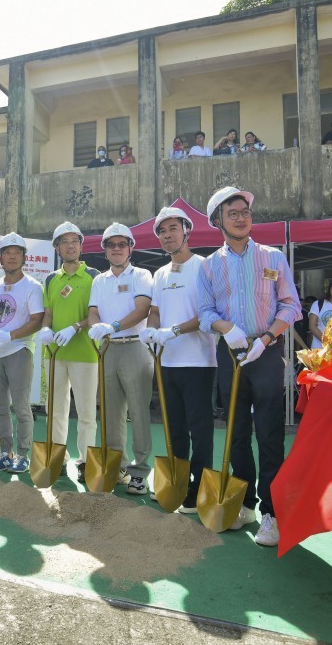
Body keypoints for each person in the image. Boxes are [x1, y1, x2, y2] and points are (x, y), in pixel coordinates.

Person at [198, 186, 301, 547]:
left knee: (270, 432)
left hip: (267, 352)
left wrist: (266, 339)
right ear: (218, 222)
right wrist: (227, 329)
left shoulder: (273, 257)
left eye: (245, 211)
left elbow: (291, 305)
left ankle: (272, 512)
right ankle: (245, 502)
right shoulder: (210, 265)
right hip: (231, 354)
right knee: (237, 430)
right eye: (233, 213)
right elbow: (205, 313)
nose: (242, 218)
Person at [144, 205, 217, 513]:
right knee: (174, 427)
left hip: (199, 361)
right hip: (167, 361)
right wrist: (151, 332)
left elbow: (206, 314)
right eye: (162, 231)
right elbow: (156, 312)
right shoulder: (160, 274)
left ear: (187, 230)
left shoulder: (204, 267)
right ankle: (178, 481)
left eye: (173, 228)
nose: (167, 235)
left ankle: (200, 487)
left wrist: (172, 331)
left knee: (200, 428)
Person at [87, 223, 153, 495]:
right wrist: (95, 329)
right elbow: (93, 311)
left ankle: (140, 471)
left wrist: (112, 326)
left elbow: (142, 310)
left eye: (121, 244)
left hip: (135, 347)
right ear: (104, 250)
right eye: (111, 245)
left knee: (138, 412)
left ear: (130, 248)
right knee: (111, 414)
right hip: (107, 349)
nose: (116, 249)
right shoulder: (99, 280)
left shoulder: (141, 274)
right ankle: (119, 466)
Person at [36, 222, 100, 482]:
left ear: (81, 245)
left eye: (75, 241)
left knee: (86, 412)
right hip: (54, 354)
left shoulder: (94, 276)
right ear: (57, 248)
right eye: (64, 242)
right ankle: (58, 457)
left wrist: (77, 327)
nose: (70, 245)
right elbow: (48, 313)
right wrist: (44, 329)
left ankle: (85, 462)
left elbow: (96, 313)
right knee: (56, 410)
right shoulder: (51, 278)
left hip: (86, 353)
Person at [0, 233, 44, 474]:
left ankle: (23, 454)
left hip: (19, 349)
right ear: (0, 258)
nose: (12, 256)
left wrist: (12, 335)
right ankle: (6, 453)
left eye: (17, 252)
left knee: (21, 405)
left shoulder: (33, 286)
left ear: (24, 257)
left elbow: (37, 320)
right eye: (7, 252)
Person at [308, 278, 332, 348]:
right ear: (330, 288)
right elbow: (312, 326)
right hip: (319, 349)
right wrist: (327, 342)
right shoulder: (318, 304)